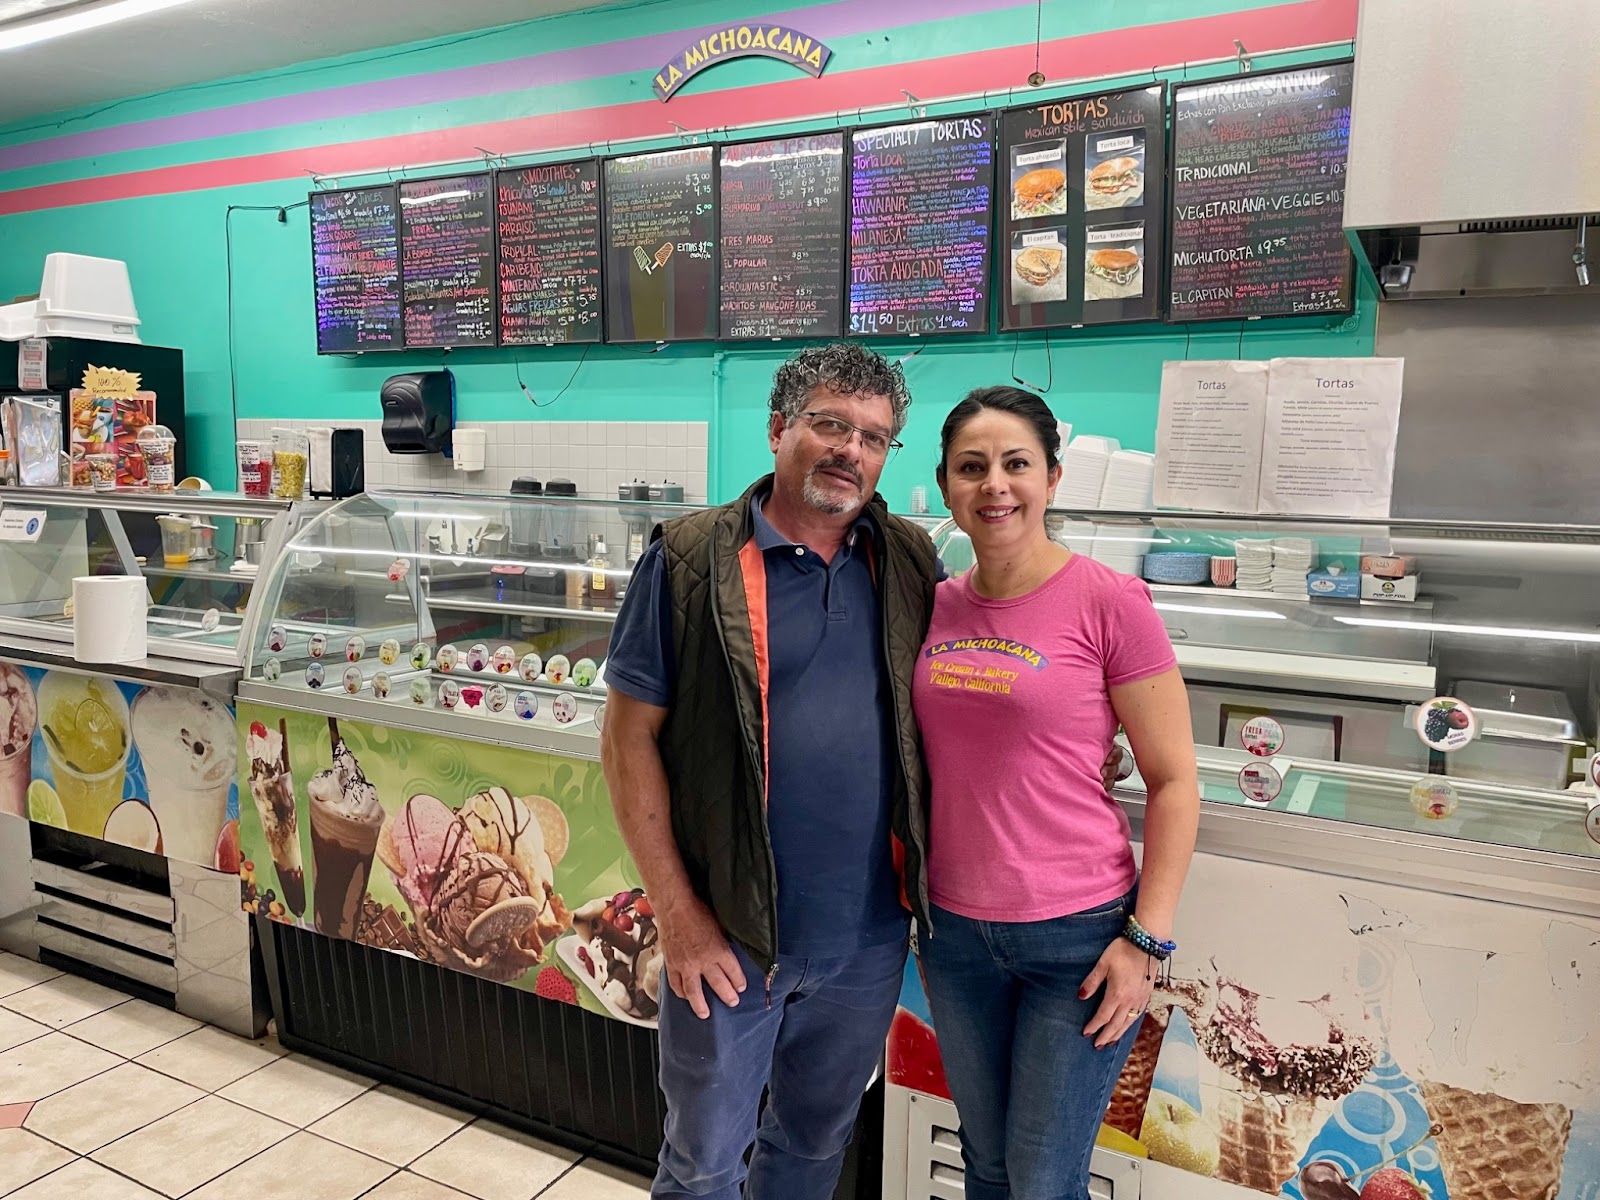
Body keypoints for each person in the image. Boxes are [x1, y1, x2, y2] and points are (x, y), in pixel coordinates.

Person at [600, 341, 939, 1200]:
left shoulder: (907, 561)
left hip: (865, 942)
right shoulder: (687, 558)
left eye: (874, 436)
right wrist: (678, 916)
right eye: (830, 423)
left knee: (811, 1149)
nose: (850, 450)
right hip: (730, 934)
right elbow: (628, 739)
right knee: (704, 1162)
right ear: (780, 428)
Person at [912, 386, 1200, 1200]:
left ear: (1054, 477)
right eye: (972, 468)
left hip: (1075, 941)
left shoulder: (1110, 601)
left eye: (1016, 465)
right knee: (988, 1165)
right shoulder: (928, 607)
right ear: (944, 486)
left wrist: (1148, 940)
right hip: (953, 933)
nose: (994, 485)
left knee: (1043, 1180)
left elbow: (1176, 782)